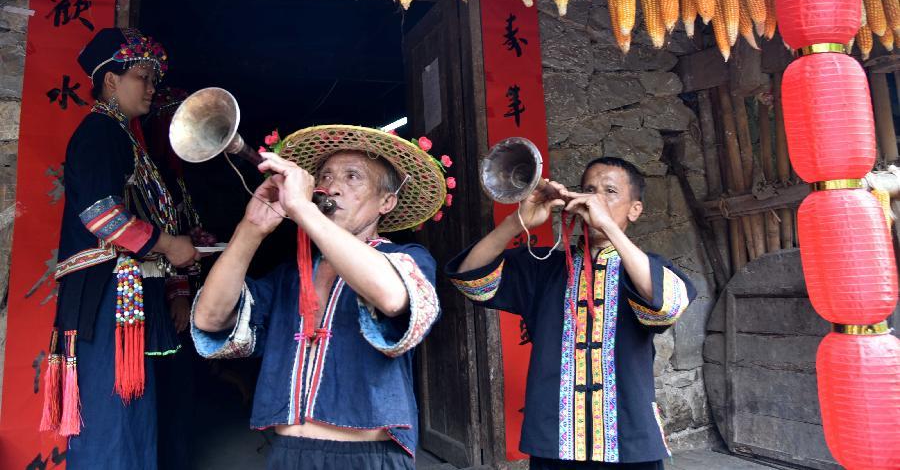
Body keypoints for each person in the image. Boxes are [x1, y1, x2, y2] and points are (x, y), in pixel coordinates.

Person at [191, 126, 446, 470]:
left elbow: (391, 297)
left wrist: (302, 210)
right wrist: (251, 227)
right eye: (325, 176)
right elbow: (210, 318)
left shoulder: (408, 258)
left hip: (367, 459)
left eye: (353, 177)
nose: (333, 186)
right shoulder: (290, 275)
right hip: (287, 455)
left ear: (386, 202)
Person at [446, 157, 696, 469]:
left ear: (635, 209)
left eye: (610, 191)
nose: (595, 199)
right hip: (554, 441)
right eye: (589, 189)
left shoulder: (645, 270)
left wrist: (607, 226)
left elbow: (667, 307)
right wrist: (517, 222)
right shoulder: (545, 268)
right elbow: (471, 281)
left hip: (630, 441)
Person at [39, 28, 200, 470]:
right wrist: (169, 244)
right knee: (112, 413)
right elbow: (102, 217)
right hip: (106, 295)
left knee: (132, 413)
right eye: (143, 77)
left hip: (125, 293)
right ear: (111, 81)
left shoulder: (123, 136)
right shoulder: (98, 133)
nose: (152, 88)